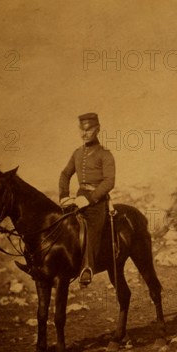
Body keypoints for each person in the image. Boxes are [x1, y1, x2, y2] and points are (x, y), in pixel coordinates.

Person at [59, 112, 115, 286]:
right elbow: (65, 174)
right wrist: (64, 196)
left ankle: (87, 268)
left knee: (90, 229)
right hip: (78, 198)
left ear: (97, 129)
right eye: (82, 130)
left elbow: (109, 181)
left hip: (97, 202)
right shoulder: (77, 153)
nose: (85, 133)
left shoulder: (105, 154)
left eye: (89, 129)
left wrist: (90, 199)